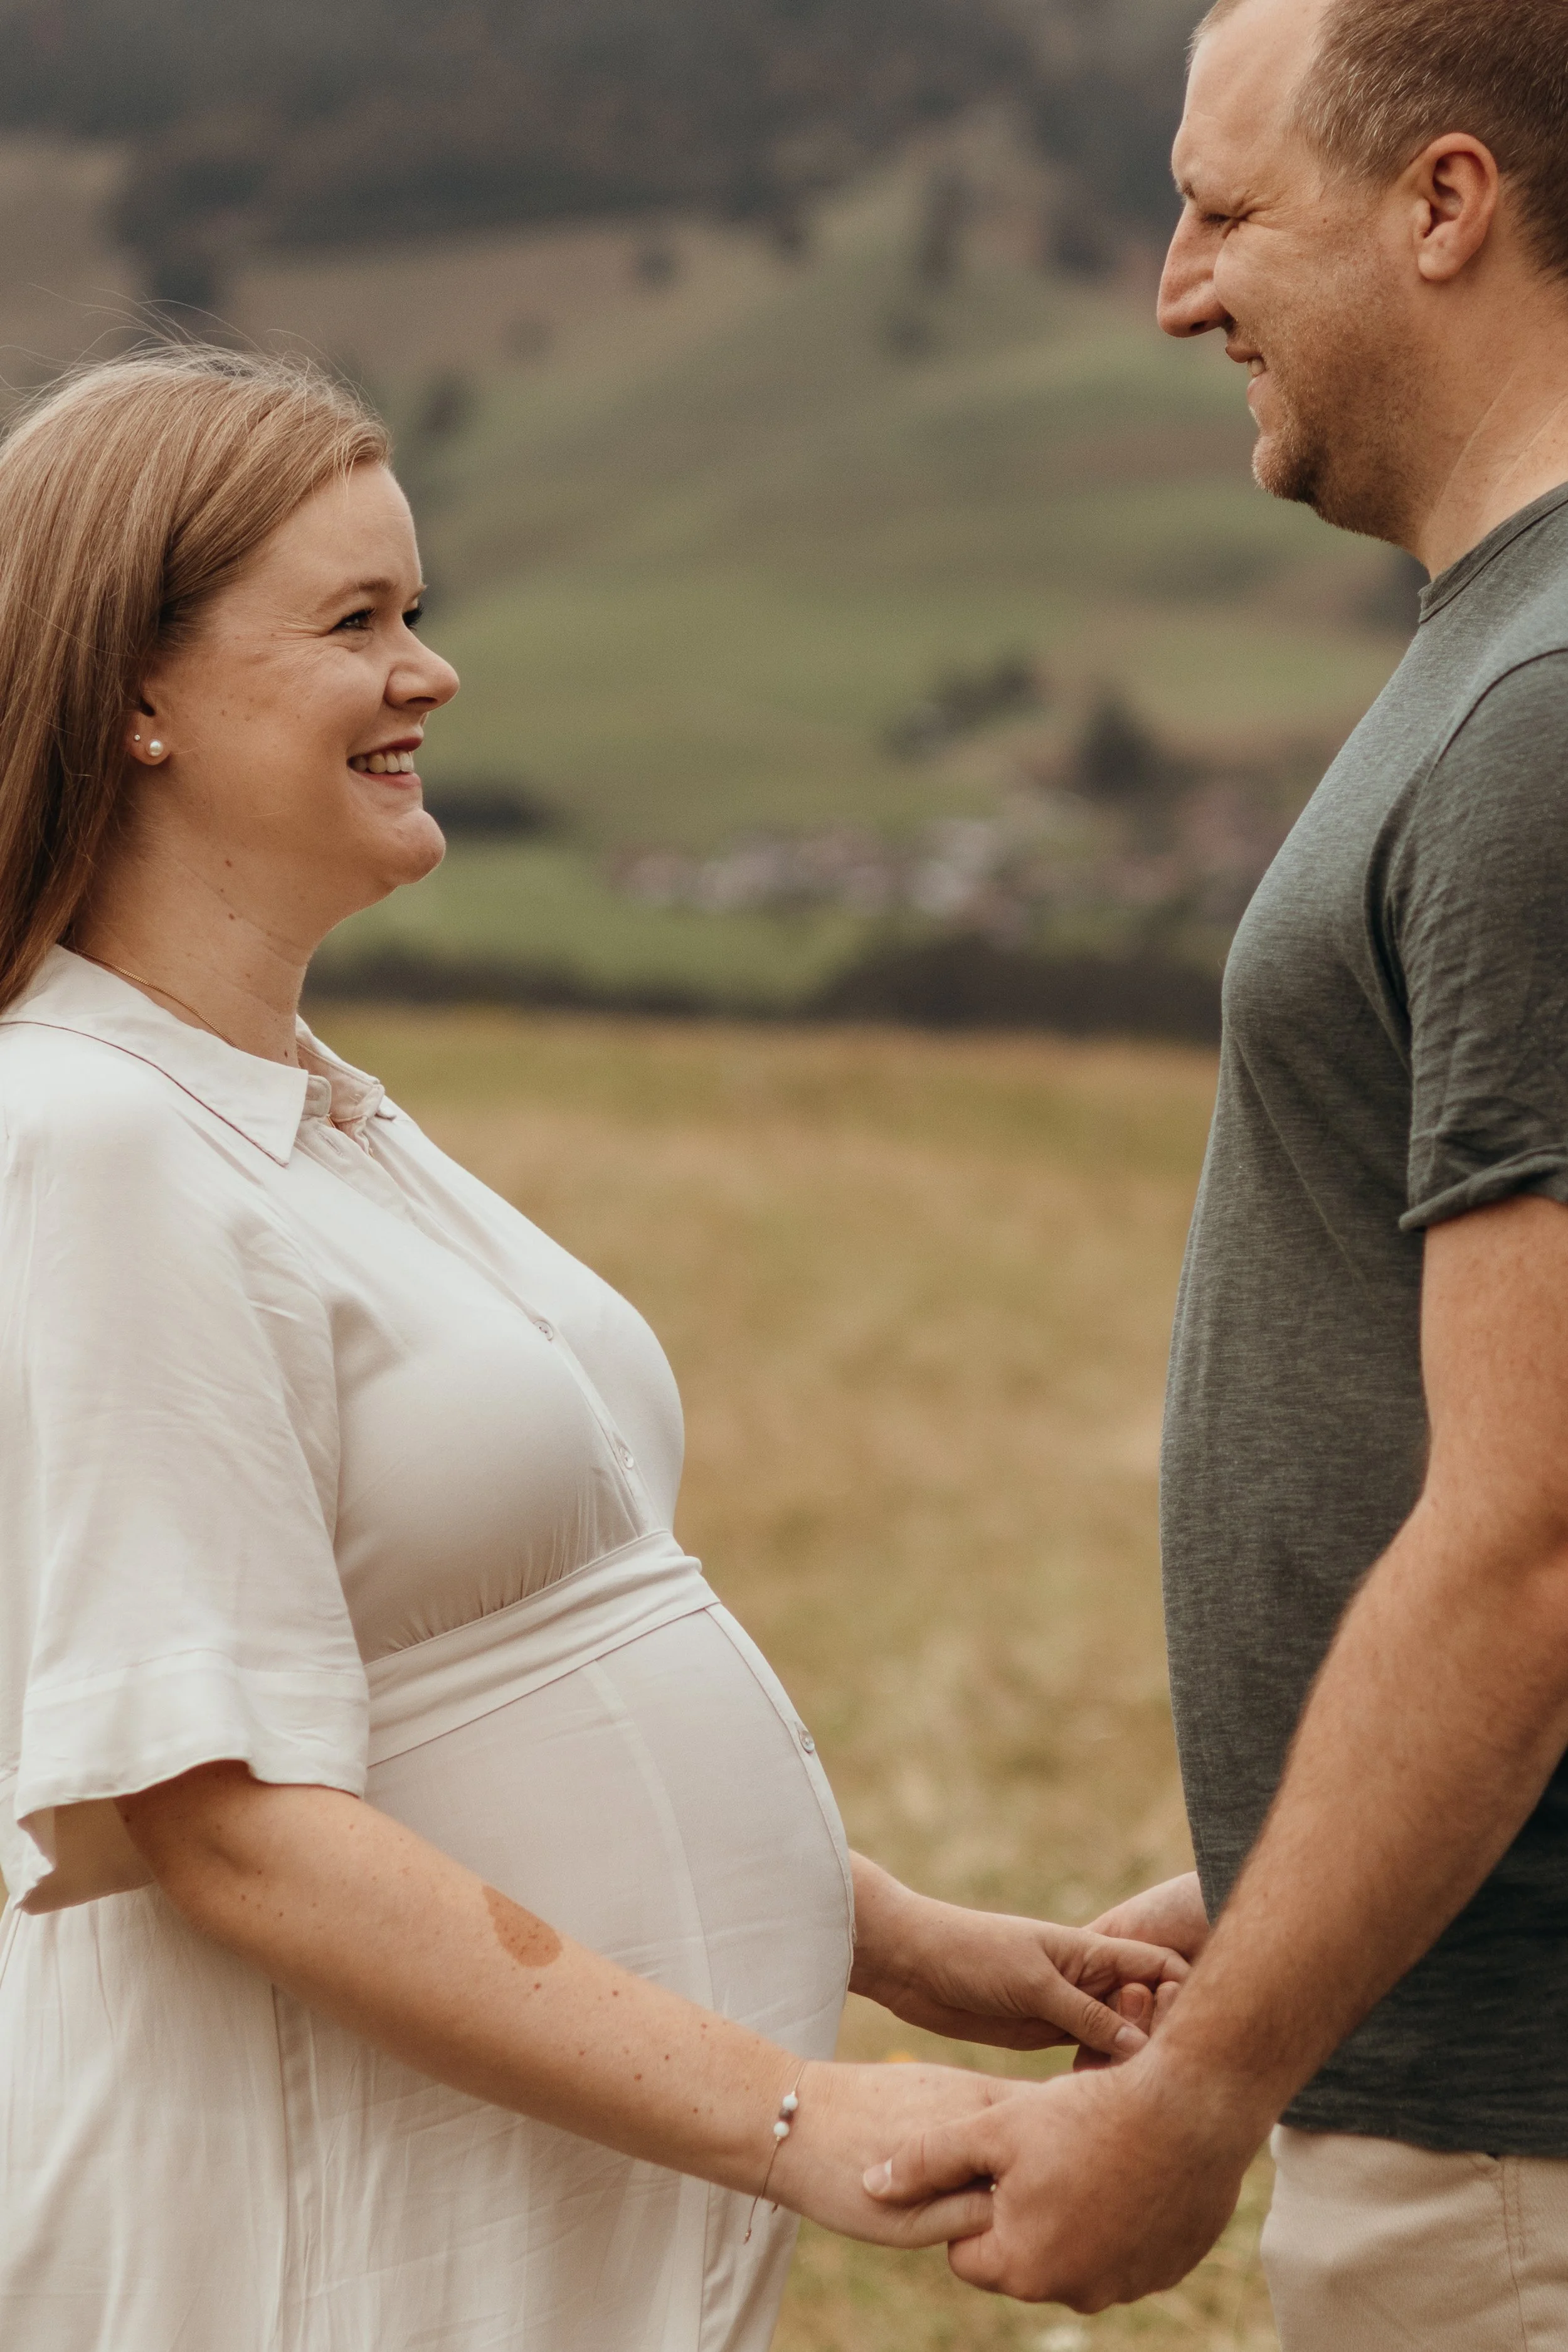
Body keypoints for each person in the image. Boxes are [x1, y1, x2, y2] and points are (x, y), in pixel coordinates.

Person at [0, 347, 1187, 2351]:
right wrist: (797, 2111)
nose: (431, 670)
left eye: (421, 608)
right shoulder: (88, 1137)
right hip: (301, 2234)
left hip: (500, 2194)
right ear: (138, 696)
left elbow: (477, 1674)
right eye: (357, 620)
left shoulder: (308, 1110)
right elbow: (223, 1821)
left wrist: (904, 1942)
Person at [864, 0, 1568, 2341]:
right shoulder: (1500, 668)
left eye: (1224, 208)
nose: (1172, 288)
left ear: (1444, 203)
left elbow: (1537, 1533)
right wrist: (1285, 1879)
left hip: (1512, 2153)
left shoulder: (1539, 719)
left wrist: (1206, 2094)